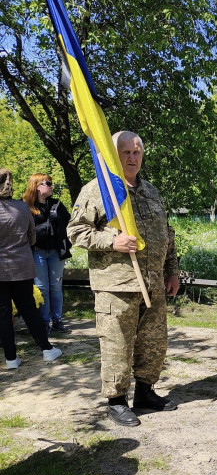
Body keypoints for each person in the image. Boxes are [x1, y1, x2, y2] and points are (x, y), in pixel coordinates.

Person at [67, 131, 180, 427]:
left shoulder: (151, 191)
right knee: (117, 344)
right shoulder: (99, 190)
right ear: (112, 154)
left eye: (137, 152)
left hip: (153, 283)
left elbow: (166, 234)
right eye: (125, 152)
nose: (132, 157)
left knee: (153, 342)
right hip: (116, 286)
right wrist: (111, 240)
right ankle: (116, 401)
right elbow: (75, 231)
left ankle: (145, 392)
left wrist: (172, 270)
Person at [0, 169, 63, 369]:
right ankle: (47, 349)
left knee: (3, 314)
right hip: (22, 267)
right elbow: (32, 237)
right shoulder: (22, 207)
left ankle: (11, 358)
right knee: (29, 310)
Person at [22, 173, 72, 333]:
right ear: (36, 186)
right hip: (37, 252)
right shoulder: (25, 206)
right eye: (48, 183)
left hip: (56, 252)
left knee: (56, 287)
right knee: (42, 288)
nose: (52, 186)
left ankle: (57, 321)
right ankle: (44, 322)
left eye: (51, 183)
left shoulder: (57, 204)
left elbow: (70, 223)